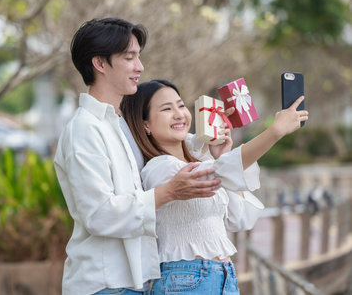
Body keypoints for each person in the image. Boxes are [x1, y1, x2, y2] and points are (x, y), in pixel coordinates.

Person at [54, 18, 223, 295]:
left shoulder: (119, 125)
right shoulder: (84, 129)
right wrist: (169, 191)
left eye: (139, 57)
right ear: (100, 63)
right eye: (129, 57)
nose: (140, 67)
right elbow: (99, 214)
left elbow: (181, 141)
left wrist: (212, 143)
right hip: (104, 285)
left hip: (134, 282)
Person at [120, 79, 309, 294]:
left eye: (181, 105)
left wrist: (223, 155)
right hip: (185, 280)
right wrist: (274, 132)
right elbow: (221, 171)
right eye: (166, 109)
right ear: (145, 124)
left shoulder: (201, 162)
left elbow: (240, 219)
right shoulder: (159, 168)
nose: (179, 114)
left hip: (223, 277)